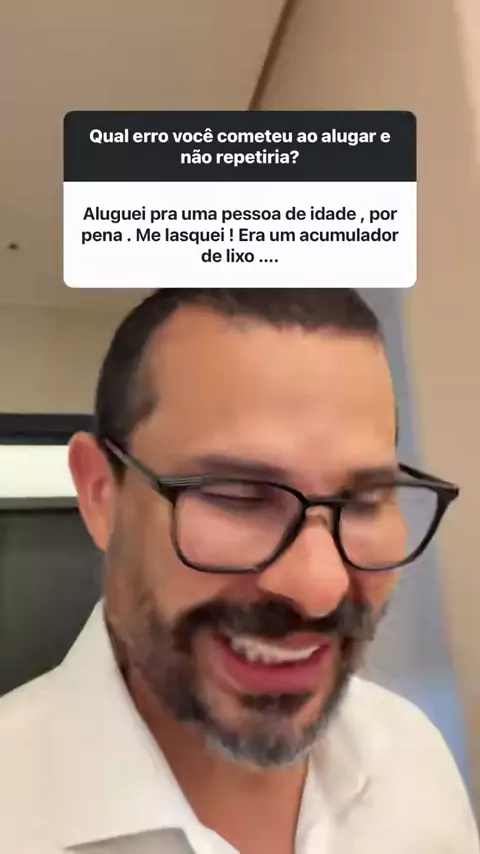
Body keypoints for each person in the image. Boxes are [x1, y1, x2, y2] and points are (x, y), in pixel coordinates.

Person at [0, 288, 478, 854]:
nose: (320, 589)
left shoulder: (412, 753)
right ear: (102, 494)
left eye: (366, 500)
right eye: (237, 496)